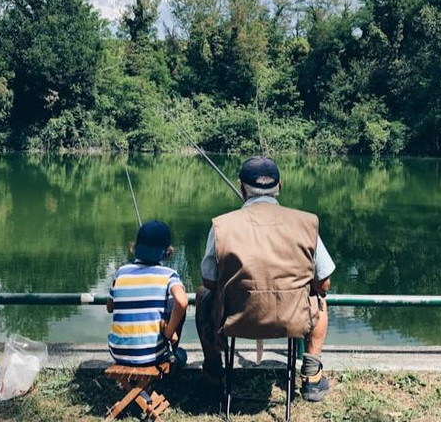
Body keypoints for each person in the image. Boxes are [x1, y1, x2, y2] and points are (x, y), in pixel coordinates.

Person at [195, 156, 335, 402]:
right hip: (293, 320)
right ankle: (312, 377)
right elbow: (323, 283)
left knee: (203, 296)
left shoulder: (221, 226)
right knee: (320, 301)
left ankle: (214, 372)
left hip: (235, 320)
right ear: (280, 185)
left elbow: (209, 282)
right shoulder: (306, 223)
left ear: (241, 187)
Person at [107, 220, 188, 367]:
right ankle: (171, 354)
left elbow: (110, 307)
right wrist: (169, 333)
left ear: (135, 247)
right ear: (168, 252)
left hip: (117, 353)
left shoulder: (121, 272)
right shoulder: (169, 275)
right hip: (151, 356)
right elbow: (182, 302)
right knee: (181, 355)